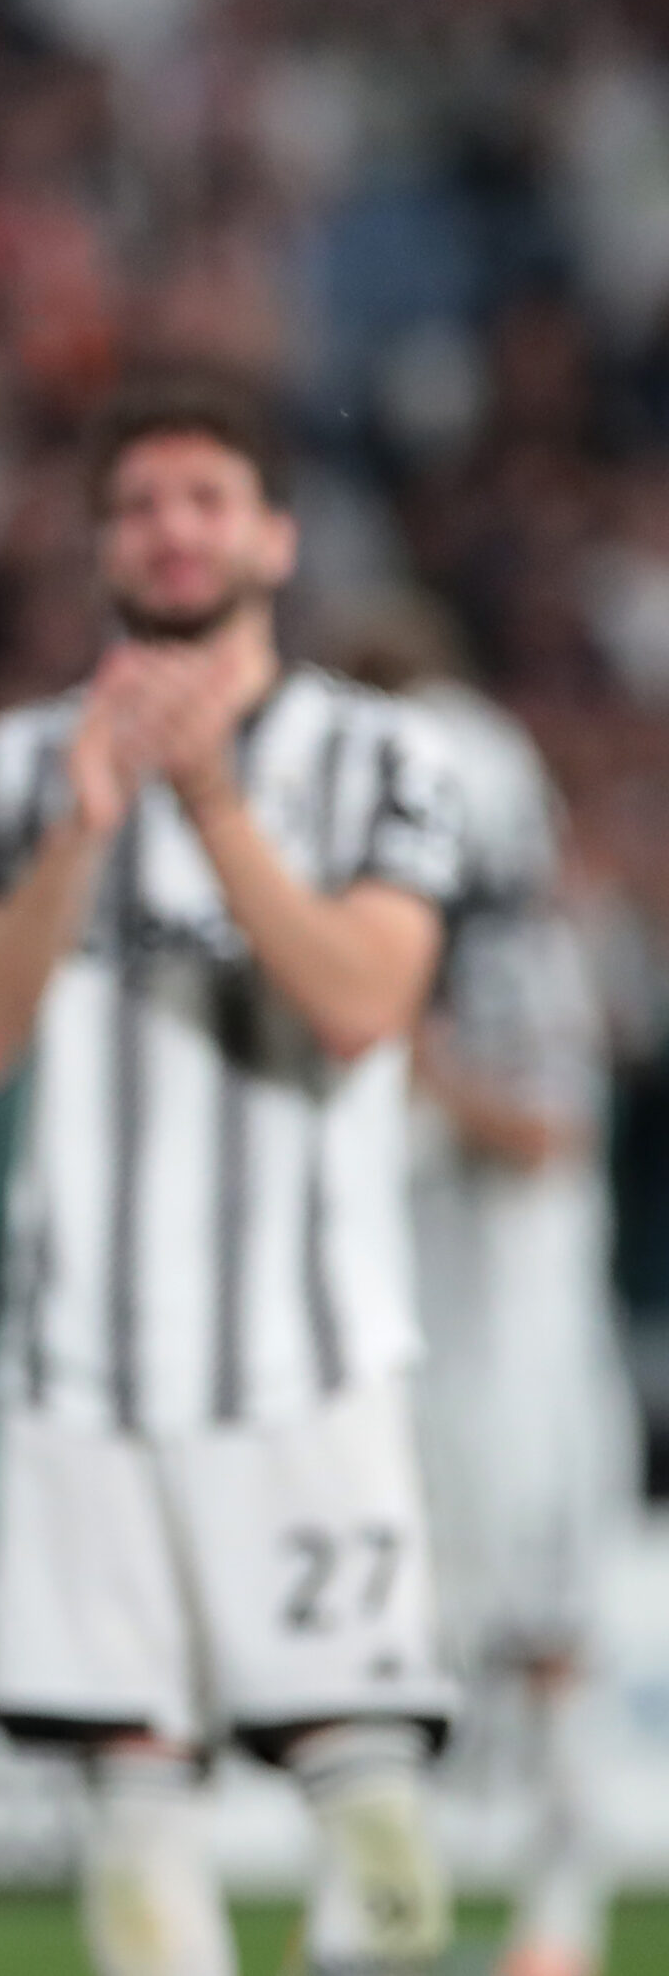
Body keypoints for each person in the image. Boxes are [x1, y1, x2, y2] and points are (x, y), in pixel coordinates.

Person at [0, 375, 462, 1976]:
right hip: (83, 1365)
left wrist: (210, 796)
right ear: (101, 543)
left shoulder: (381, 754)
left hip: (307, 1356)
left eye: (207, 497)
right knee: (136, 1823)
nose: (173, 529)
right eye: (141, 503)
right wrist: (82, 834)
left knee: (382, 1857)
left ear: (275, 536)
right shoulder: (12, 770)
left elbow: (362, 1007)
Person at [395, 668, 639, 1976]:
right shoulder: (435, 946)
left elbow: (547, 1134)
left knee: (543, 1639)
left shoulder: (514, 954)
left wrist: (414, 1064)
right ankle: (410, 1910)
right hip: (444, 1334)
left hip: (521, 1347)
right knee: (424, 1646)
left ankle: (561, 1916)